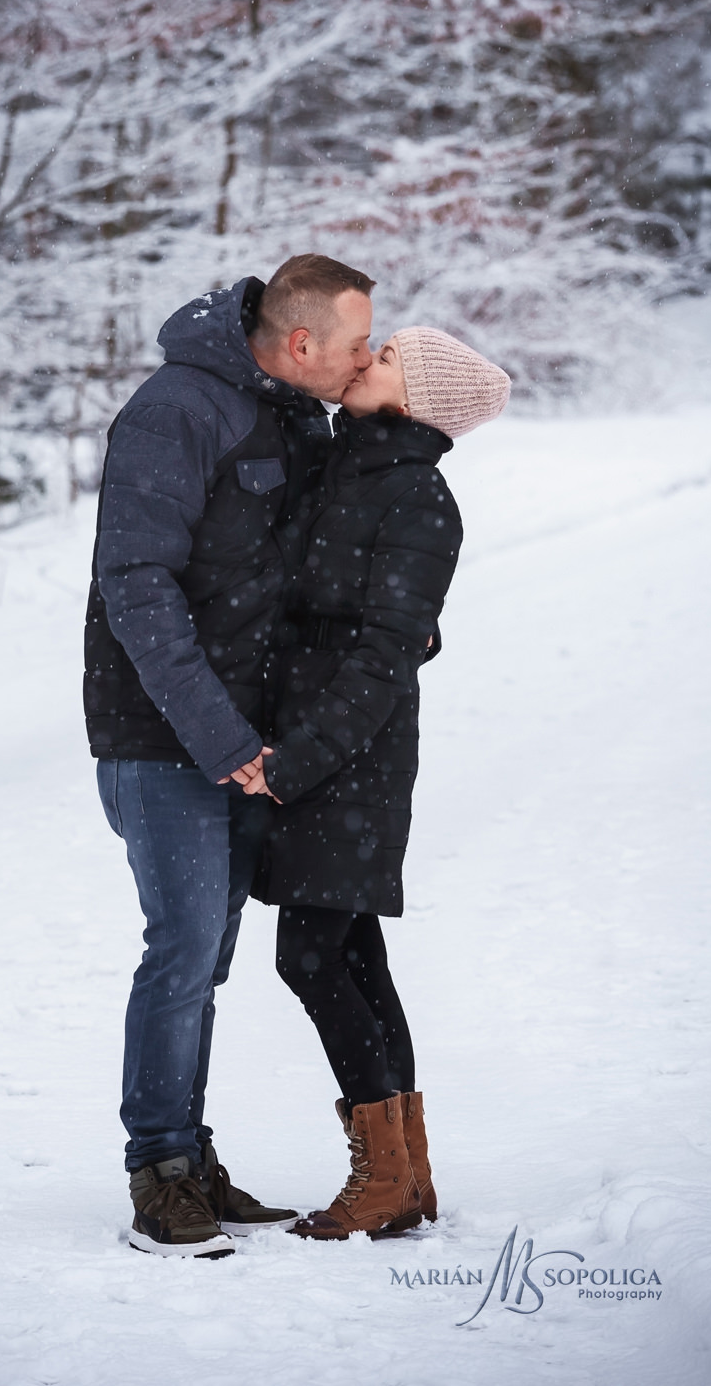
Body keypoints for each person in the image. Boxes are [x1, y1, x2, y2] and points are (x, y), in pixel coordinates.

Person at [84, 254, 376, 1257]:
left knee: (203, 957)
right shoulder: (175, 411)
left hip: (242, 743)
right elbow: (136, 585)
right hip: (162, 736)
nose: (363, 359)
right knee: (180, 950)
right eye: (353, 346)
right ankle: (156, 1169)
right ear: (301, 344)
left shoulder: (295, 416)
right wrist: (222, 739)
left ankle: (192, 1158)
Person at [235, 326, 510, 1240]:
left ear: (410, 402)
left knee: (309, 956)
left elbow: (388, 655)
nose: (364, 361)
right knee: (352, 955)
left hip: (349, 758)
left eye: (384, 358)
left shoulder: (421, 498)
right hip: (313, 746)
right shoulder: (341, 467)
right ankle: (408, 1174)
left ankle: (385, 1173)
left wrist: (299, 761)